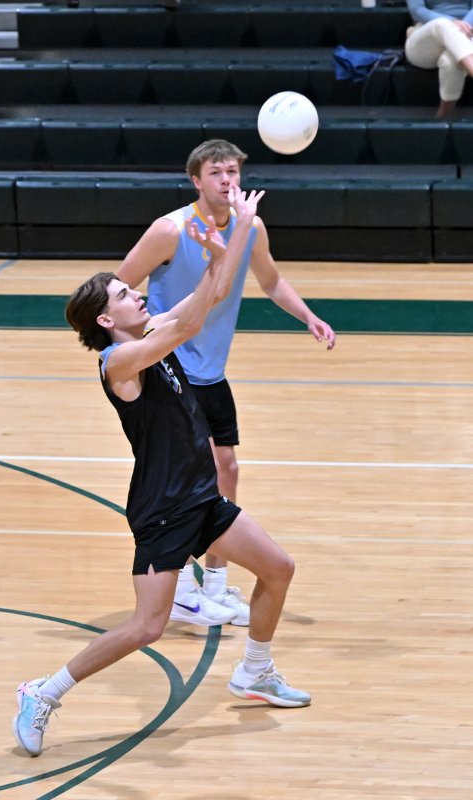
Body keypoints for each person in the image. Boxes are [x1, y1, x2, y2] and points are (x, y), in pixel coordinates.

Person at [12, 187, 311, 758]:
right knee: (146, 627)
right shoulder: (121, 361)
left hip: (201, 497)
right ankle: (42, 693)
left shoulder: (146, 337)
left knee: (278, 568)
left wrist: (227, 244)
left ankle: (255, 671)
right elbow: (191, 321)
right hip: (164, 509)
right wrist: (236, 234)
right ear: (106, 319)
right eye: (126, 294)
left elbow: (210, 296)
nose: (139, 293)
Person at [117, 138, 336, 629]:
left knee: (227, 470)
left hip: (211, 370)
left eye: (233, 172)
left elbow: (271, 281)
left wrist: (308, 316)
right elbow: (117, 286)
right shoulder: (170, 230)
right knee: (195, 475)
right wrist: (137, 347)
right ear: (196, 180)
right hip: (172, 367)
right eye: (216, 173)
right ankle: (179, 586)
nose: (227, 180)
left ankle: (214, 583)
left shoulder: (249, 227)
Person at [405, 0, 473, 118]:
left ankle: (443, 115)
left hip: (468, 32)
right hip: (426, 37)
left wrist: (464, 26)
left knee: (450, 61)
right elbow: (417, 11)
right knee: (442, 24)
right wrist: (453, 22)